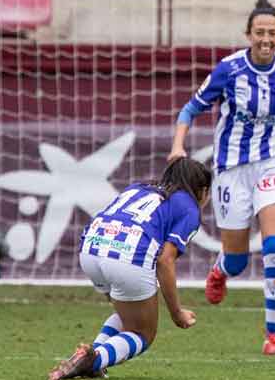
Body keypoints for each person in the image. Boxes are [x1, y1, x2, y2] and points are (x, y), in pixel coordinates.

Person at [167, 0, 275, 355]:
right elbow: (190, 109)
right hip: (232, 169)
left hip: (273, 165)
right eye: (259, 32)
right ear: (248, 34)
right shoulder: (228, 69)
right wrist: (177, 146)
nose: (266, 38)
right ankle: (220, 269)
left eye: (272, 33)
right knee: (236, 260)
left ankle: (273, 337)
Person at [48, 157, 212, 380]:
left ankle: (92, 360)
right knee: (142, 332)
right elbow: (165, 260)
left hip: (90, 248)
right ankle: (93, 361)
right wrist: (176, 313)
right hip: (128, 256)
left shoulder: (139, 187)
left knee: (128, 314)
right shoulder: (190, 207)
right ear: (202, 190)